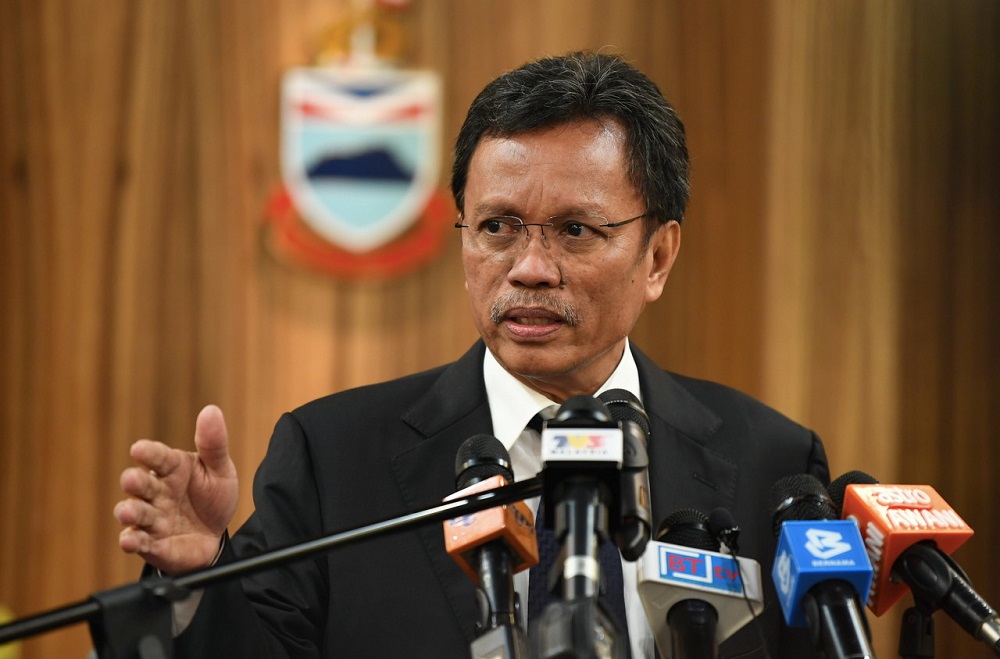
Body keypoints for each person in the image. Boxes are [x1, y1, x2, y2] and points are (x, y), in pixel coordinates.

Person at [114, 52, 828, 657]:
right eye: (497, 226)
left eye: (575, 230)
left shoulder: (769, 463)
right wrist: (205, 576)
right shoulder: (334, 459)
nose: (530, 267)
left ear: (659, 256)